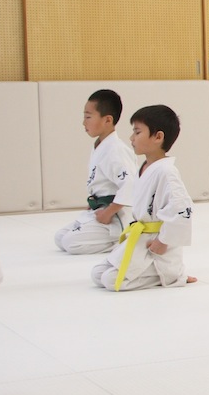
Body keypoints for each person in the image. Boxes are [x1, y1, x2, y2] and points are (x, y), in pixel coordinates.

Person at [90, 105, 196, 291]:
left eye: (137, 132)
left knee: (111, 280)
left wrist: (163, 242)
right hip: (141, 237)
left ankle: (170, 274)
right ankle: (156, 271)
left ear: (158, 137)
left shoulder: (167, 172)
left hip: (156, 245)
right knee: (98, 274)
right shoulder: (146, 167)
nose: (131, 138)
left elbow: (182, 210)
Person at [55, 89, 138, 254]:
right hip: (100, 209)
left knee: (71, 243)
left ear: (107, 120)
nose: (83, 123)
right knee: (60, 238)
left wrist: (109, 212)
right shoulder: (101, 146)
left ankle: (124, 240)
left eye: (88, 117)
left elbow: (130, 185)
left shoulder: (116, 150)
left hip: (116, 215)